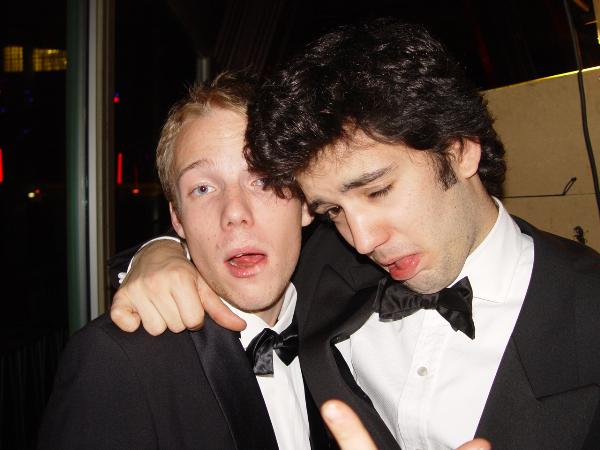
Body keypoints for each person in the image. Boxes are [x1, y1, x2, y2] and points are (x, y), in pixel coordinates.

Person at [110, 19, 600, 450]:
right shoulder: (328, 267)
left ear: (459, 150)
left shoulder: (587, 311)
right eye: (333, 211)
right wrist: (160, 252)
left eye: (378, 190)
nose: (362, 241)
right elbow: (234, 234)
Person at [38, 72, 332, 449]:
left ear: (305, 202)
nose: (235, 212)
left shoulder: (342, 317)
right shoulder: (113, 361)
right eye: (203, 188)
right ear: (178, 219)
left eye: (262, 179)